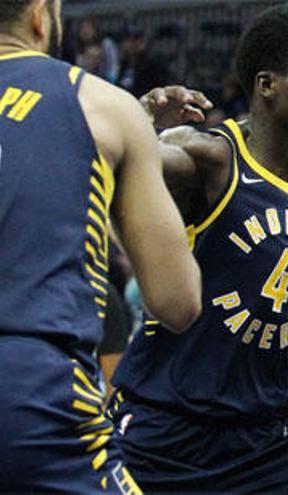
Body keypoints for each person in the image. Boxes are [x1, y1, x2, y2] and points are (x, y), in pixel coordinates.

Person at [107, 6, 288, 493]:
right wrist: (133, 121)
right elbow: (104, 156)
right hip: (163, 436)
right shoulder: (208, 157)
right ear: (267, 85)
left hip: (263, 445)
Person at [0, 0, 201, 492]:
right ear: (41, 15)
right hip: (30, 391)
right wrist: (137, 161)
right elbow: (178, 303)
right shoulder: (101, 104)